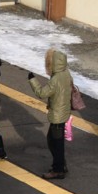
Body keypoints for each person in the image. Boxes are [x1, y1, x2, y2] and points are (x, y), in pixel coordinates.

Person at [28, 47, 73, 180]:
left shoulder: (55, 79)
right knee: (54, 141)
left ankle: (58, 169)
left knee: (55, 143)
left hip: (57, 115)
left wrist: (32, 80)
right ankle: (60, 165)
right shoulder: (66, 73)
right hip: (63, 112)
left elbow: (42, 93)